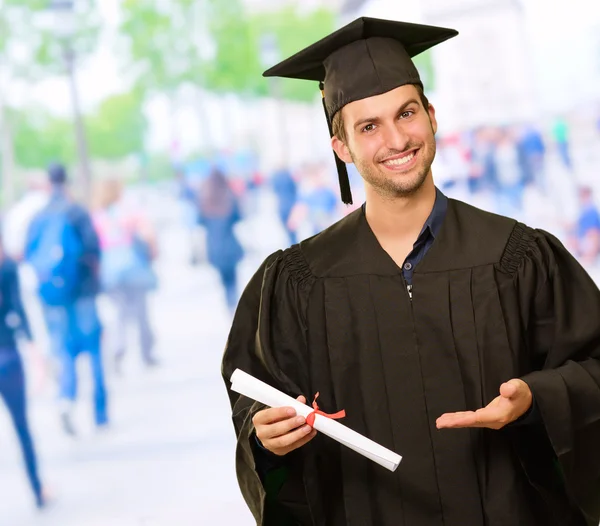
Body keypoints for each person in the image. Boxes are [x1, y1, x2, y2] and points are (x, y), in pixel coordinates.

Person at [222, 17, 600, 526]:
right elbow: (254, 398)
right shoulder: (298, 283)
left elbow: (594, 368)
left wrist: (537, 396)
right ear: (342, 147)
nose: (396, 139)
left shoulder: (519, 257)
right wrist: (263, 434)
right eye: (368, 126)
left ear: (432, 115)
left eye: (406, 113)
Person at [25, 163, 107, 436]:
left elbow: (29, 254)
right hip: (82, 291)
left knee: (64, 350)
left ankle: (65, 400)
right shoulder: (76, 211)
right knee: (94, 350)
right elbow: (95, 249)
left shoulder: (39, 217)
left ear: (48, 183)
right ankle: (100, 414)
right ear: (66, 181)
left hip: (53, 297)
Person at [0, 234, 47, 508]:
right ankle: (37, 488)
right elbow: (19, 310)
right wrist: (34, 350)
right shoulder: (7, 268)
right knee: (22, 427)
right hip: (7, 357)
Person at [92, 179, 158, 373]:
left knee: (118, 314)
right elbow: (148, 234)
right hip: (133, 267)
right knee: (141, 313)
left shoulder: (98, 216)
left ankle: (118, 352)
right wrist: (152, 253)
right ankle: (147, 353)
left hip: (110, 270)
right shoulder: (129, 211)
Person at [199, 168, 244, 315]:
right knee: (233, 277)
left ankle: (229, 304)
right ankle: (233, 302)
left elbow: (199, 222)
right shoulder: (229, 199)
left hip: (214, 247)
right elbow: (239, 217)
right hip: (230, 245)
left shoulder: (205, 202)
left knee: (224, 278)